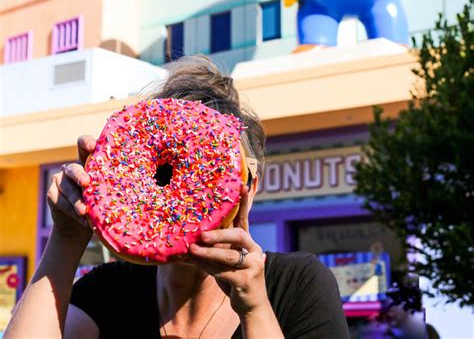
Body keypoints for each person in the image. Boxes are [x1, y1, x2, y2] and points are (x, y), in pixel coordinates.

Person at [6, 56, 349, 338]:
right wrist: (66, 238)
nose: (183, 191)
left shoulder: (296, 286)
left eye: (213, 169)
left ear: (251, 186)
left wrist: (255, 308)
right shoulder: (108, 293)